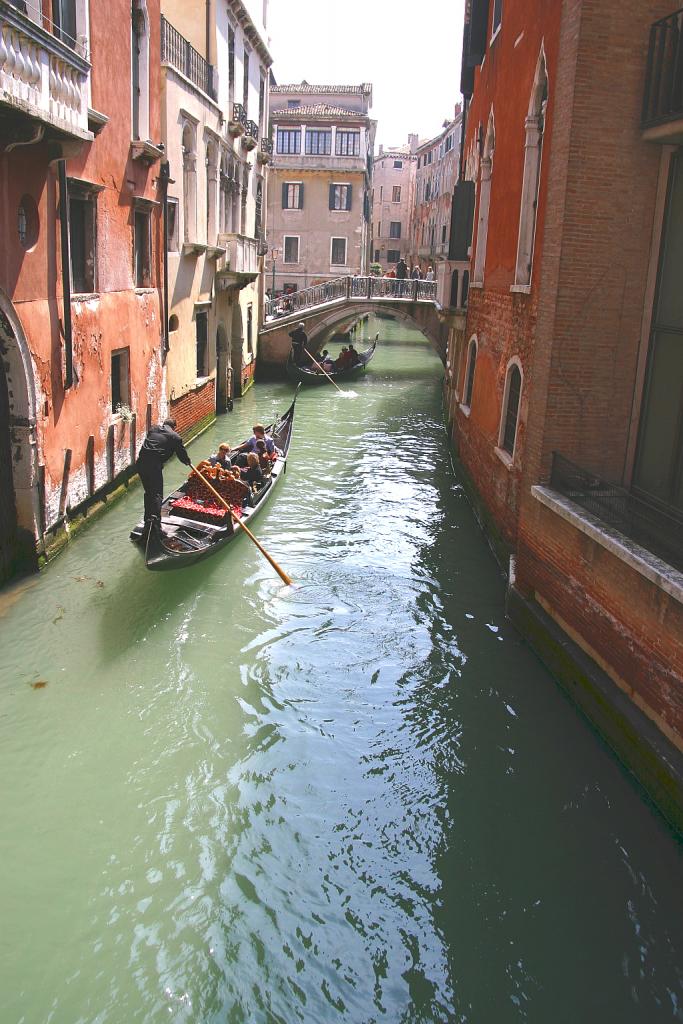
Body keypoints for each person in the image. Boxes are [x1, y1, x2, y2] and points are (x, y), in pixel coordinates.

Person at [136, 418, 191, 527]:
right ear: (174, 427)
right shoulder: (175, 437)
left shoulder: (153, 429)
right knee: (157, 494)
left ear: (164, 424)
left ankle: (148, 519)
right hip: (153, 466)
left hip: (140, 464)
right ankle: (155, 522)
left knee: (149, 493)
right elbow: (181, 454)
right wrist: (187, 461)